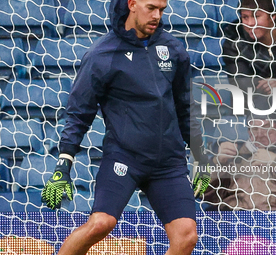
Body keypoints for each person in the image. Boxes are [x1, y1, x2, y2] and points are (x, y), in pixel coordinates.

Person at [41, 0, 210, 254]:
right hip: (124, 157)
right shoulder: (102, 54)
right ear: (132, 4)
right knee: (101, 224)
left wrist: (200, 154)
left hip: (168, 162)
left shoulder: (173, 49)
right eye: (151, 7)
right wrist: (64, 162)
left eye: (162, 10)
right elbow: (79, 112)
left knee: (186, 236)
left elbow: (185, 106)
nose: (157, 15)